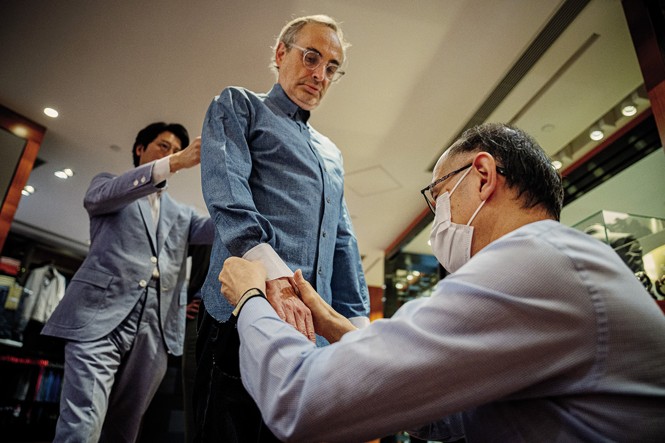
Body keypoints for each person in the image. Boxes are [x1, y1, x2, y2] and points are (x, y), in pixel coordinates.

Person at [218, 123, 665, 442]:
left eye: (439, 198)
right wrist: (334, 322)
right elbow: (458, 419)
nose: (438, 222)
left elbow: (301, 400)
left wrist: (250, 297)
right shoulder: (557, 260)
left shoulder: (532, 264)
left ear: (484, 176)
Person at [195, 14, 370, 441]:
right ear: (280, 53)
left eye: (331, 67)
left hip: (316, 335)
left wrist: (357, 323)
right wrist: (275, 277)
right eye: (311, 57)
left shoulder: (332, 153)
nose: (320, 75)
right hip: (241, 313)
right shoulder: (239, 105)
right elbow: (227, 191)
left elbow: (341, 238)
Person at [43, 122, 214, 442]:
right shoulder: (109, 185)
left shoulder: (183, 213)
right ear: (140, 149)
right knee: (83, 422)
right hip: (98, 318)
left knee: (125, 428)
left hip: (156, 327)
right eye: (164, 146)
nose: (172, 153)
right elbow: (98, 198)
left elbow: (221, 230)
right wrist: (176, 162)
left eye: (176, 150)